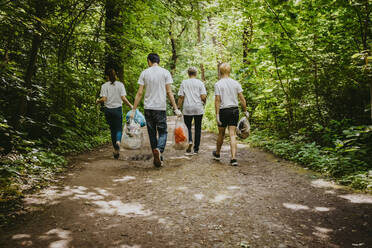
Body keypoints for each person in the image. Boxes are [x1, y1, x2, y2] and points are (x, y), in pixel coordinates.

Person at [130, 53, 182, 167]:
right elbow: (169, 92)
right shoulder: (165, 72)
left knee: (152, 133)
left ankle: (156, 156)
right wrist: (176, 108)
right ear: (158, 61)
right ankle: (159, 150)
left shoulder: (144, 73)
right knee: (163, 132)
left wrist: (133, 110)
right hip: (160, 108)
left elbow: (139, 93)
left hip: (148, 108)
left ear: (149, 61)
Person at [213, 63, 249, 166]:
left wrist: (217, 115)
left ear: (220, 72)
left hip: (224, 110)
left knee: (221, 133)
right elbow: (242, 99)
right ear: (230, 71)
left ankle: (218, 153)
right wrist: (245, 111)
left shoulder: (218, 84)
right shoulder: (235, 83)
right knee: (232, 134)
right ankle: (233, 158)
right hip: (234, 110)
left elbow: (217, 100)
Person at [96, 69, 133, 159]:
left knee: (112, 129)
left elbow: (104, 99)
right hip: (117, 109)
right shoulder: (120, 85)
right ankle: (118, 142)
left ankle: (116, 151)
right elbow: (123, 98)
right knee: (119, 129)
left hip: (108, 110)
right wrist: (131, 105)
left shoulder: (104, 86)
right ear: (115, 76)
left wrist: (98, 101)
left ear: (107, 76)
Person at [177, 67, 207, 155]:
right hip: (198, 107)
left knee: (188, 127)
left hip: (187, 108)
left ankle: (190, 141)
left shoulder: (184, 82)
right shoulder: (200, 83)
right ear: (196, 74)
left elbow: (181, 97)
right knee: (198, 128)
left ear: (188, 74)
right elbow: (203, 96)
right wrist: (204, 101)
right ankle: (196, 149)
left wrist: (178, 108)